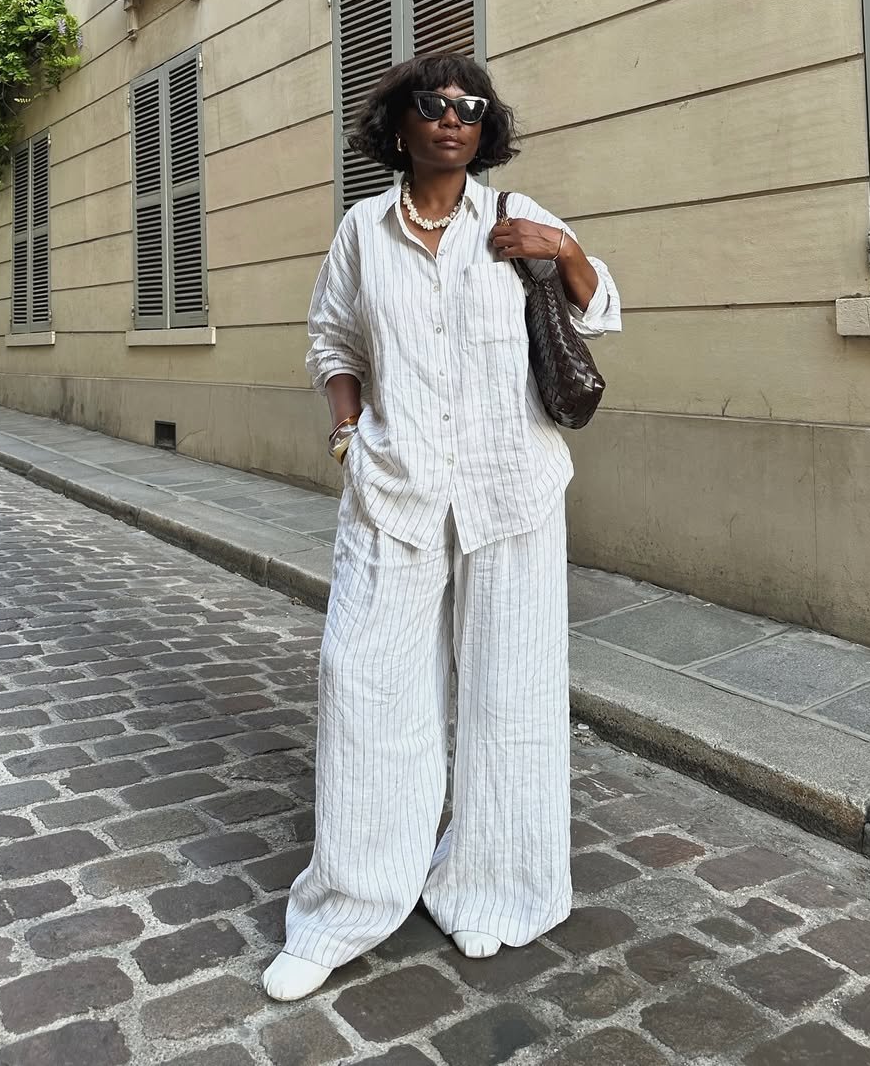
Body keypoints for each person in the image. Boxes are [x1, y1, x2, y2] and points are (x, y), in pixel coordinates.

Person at [263, 53, 621, 1001]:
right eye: (435, 105)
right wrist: (348, 436)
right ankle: (348, 903)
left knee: (511, 694)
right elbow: (333, 340)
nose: (453, 119)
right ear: (401, 123)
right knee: (366, 682)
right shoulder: (361, 232)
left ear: (485, 128)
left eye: (471, 109)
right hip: (397, 487)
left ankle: (491, 888)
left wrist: (562, 250)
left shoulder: (516, 217)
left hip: (513, 488)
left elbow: (604, 307)